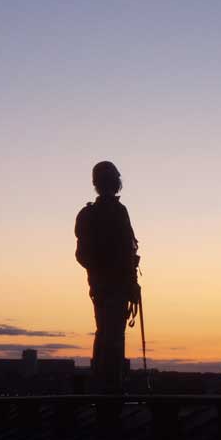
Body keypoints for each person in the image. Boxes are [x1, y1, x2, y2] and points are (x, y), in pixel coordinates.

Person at [75, 161, 140, 398]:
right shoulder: (112, 212)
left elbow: (84, 255)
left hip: (105, 285)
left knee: (106, 333)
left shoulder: (90, 214)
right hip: (111, 285)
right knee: (110, 334)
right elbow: (125, 252)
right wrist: (120, 276)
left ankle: (106, 384)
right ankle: (109, 387)